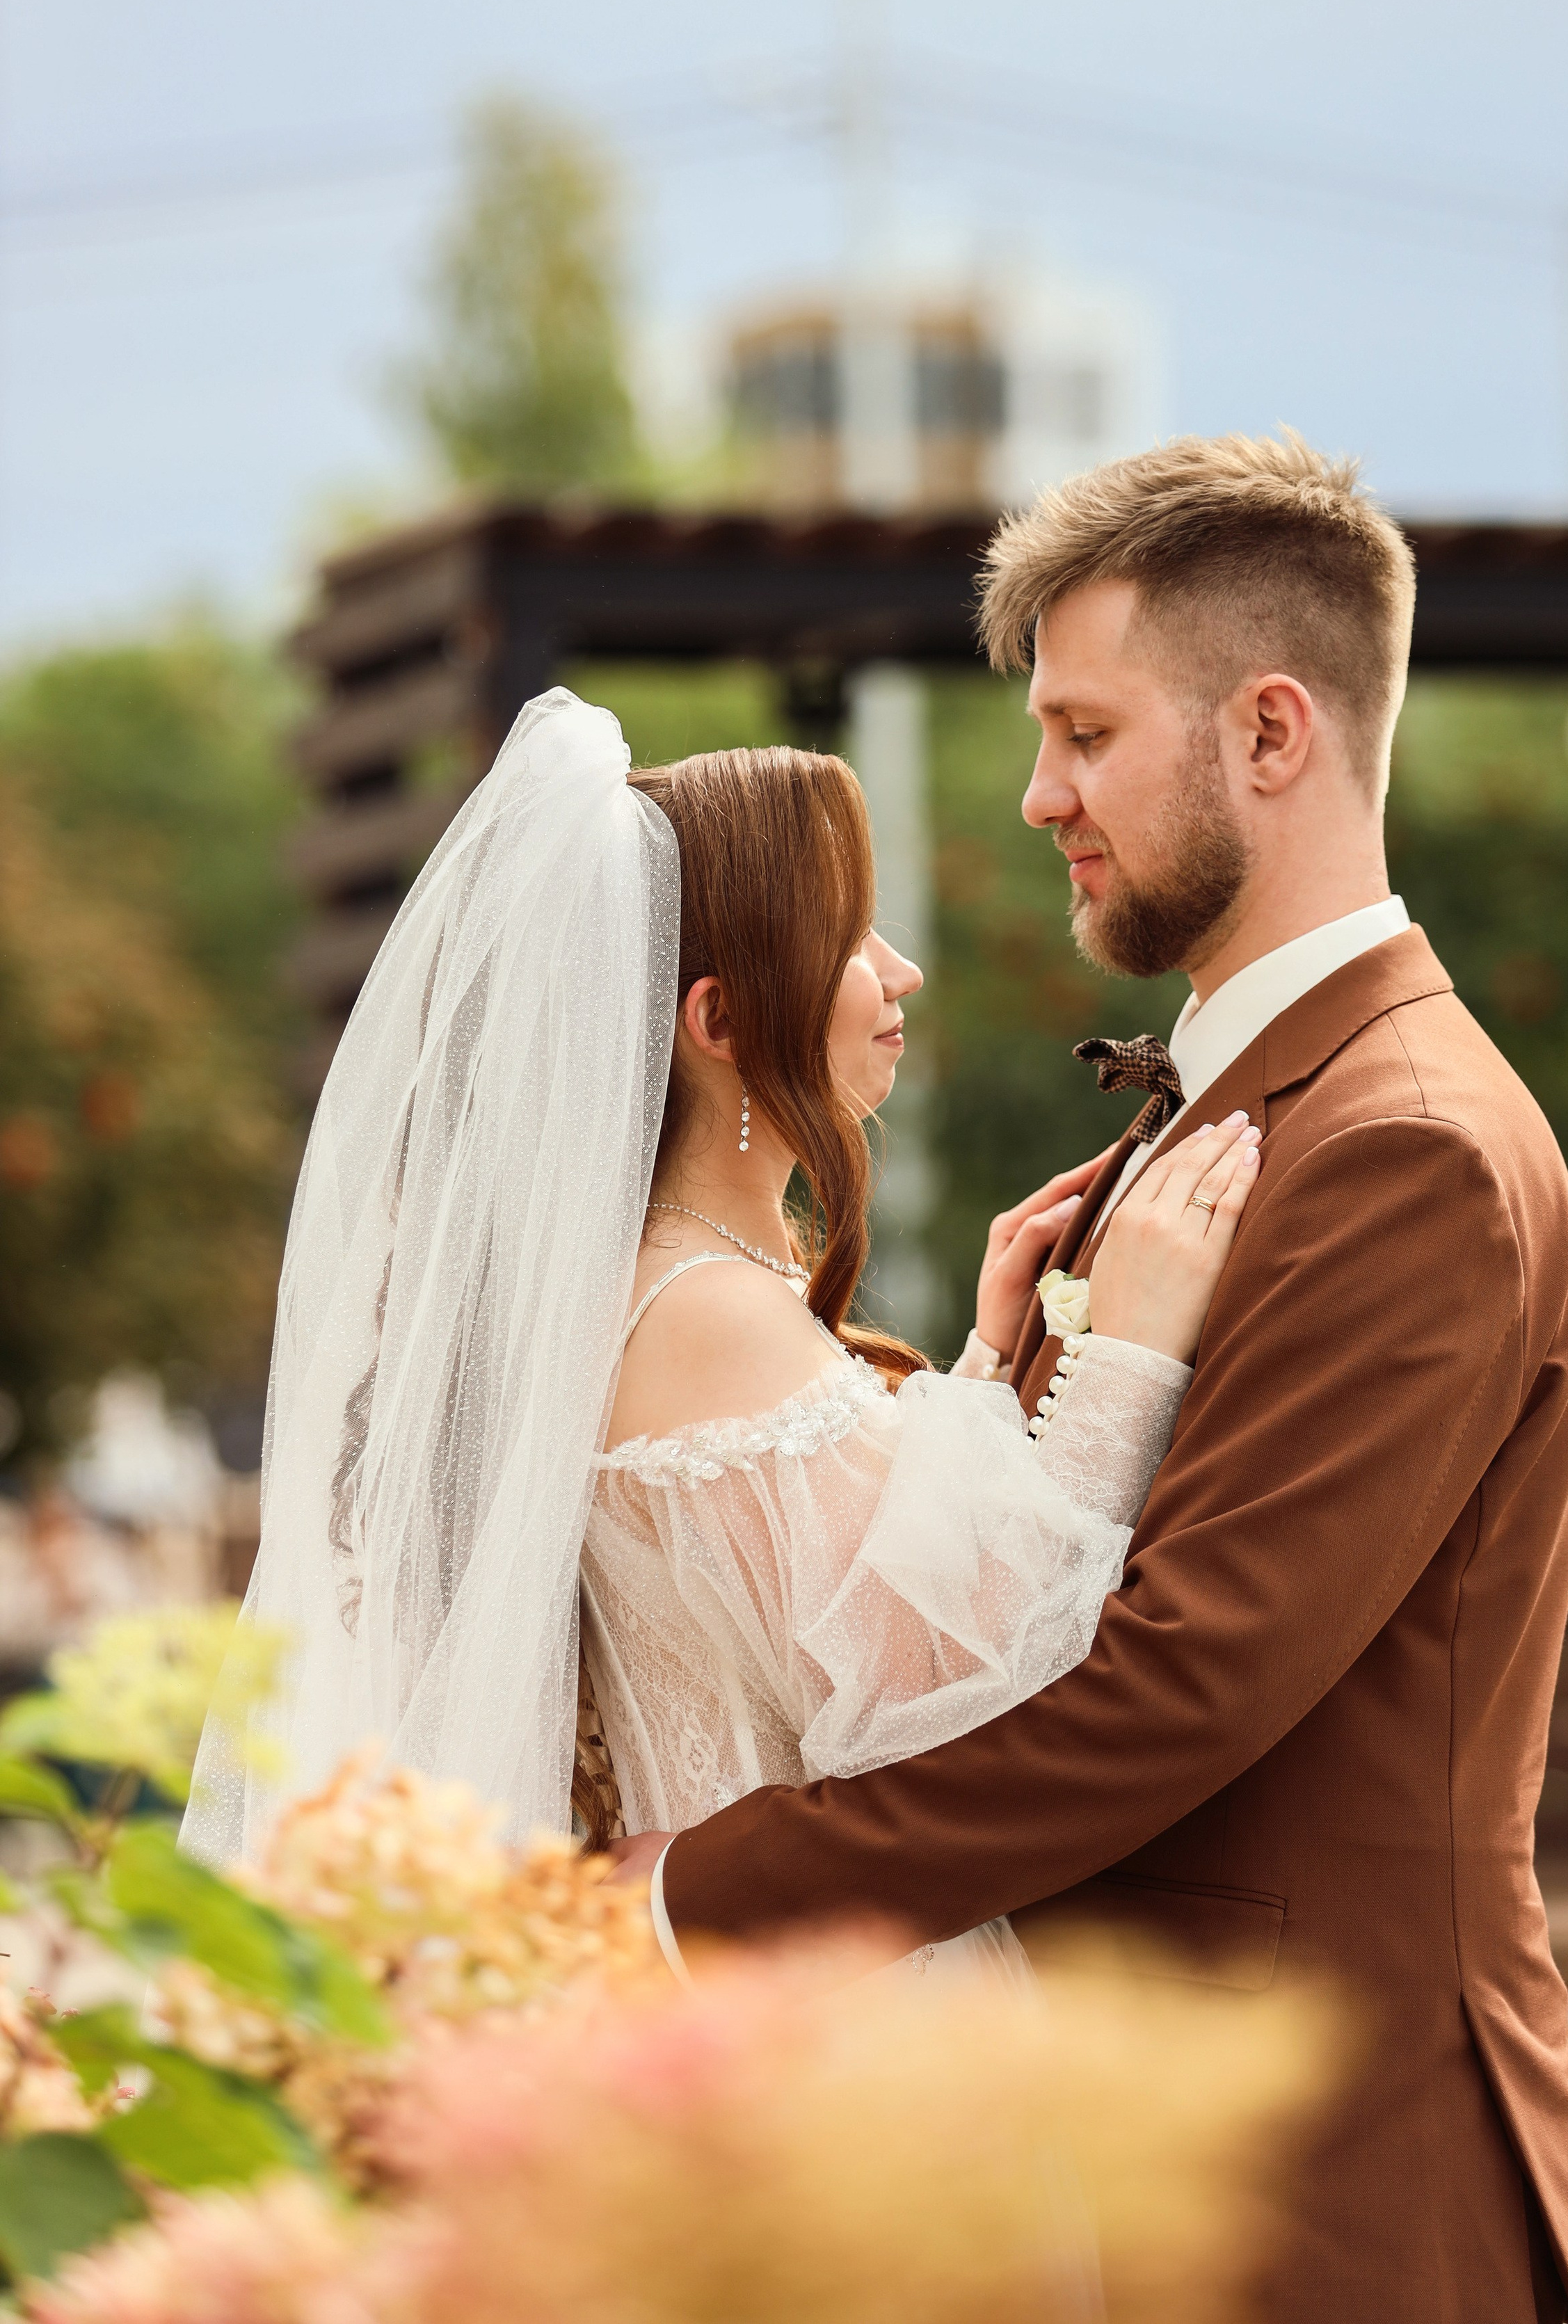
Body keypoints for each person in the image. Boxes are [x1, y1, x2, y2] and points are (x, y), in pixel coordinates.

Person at [613, 432, 1568, 2324]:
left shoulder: (1402, 1144)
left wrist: (691, 1902)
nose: (1035, 798)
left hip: (1321, 2189)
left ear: (1270, 733)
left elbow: (1178, 1683)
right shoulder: (1228, 1114)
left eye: (1083, 736)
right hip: (1129, 2160)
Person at [182, 690, 1255, 1995]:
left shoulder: (693, 1285)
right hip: (809, 1996)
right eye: (852, 937)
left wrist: (988, 1355)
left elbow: (812, 1597)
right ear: (719, 1021)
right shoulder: (702, 1314)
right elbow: (966, 1686)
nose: (899, 969)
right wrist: (1127, 1360)